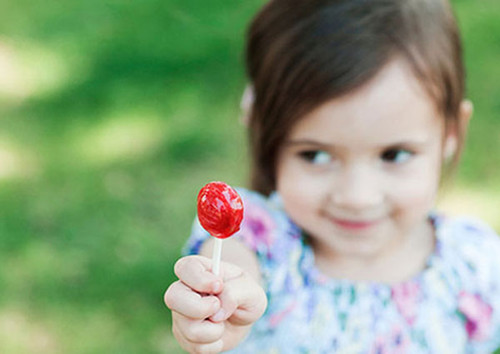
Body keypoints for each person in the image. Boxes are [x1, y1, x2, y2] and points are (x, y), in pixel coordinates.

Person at [164, 0, 500, 352]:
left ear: (451, 132)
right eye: (316, 155)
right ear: (262, 129)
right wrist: (220, 301)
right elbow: (232, 269)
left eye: (394, 155)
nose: (357, 196)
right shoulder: (259, 241)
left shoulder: (472, 265)